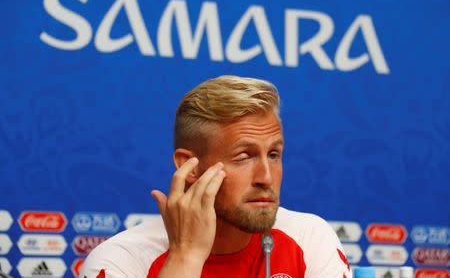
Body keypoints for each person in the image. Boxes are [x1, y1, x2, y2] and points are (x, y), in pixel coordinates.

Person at [80, 75, 352, 278]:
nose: (266, 178)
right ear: (190, 167)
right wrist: (185, 257)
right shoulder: (121, 261)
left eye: (273, 154)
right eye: (244, 157)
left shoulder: (307, 238)